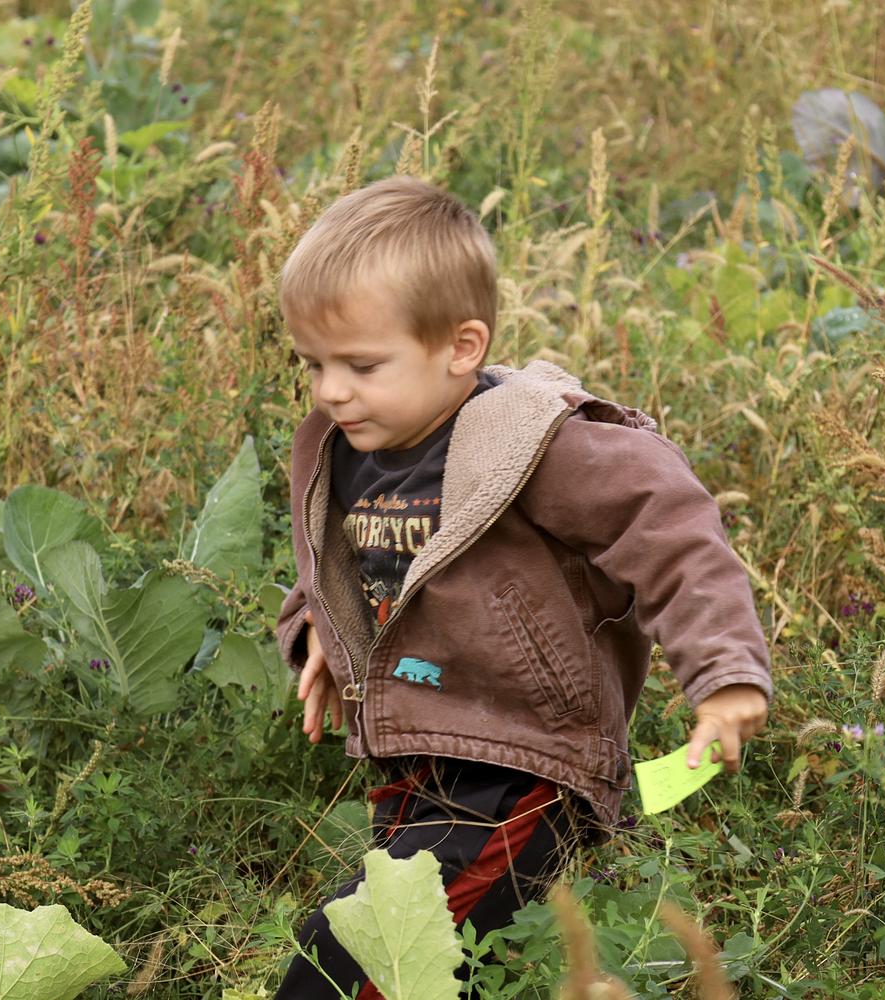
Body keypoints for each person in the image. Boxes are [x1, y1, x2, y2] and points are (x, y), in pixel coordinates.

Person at [272, 175, 772, 998]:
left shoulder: (532, 444)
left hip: (527, 760)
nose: (331, 390)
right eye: (314, 364)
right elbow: (335, 565)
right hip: (421, 756)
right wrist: (326, 627)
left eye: (361, 364)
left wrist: (726, 675)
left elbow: (672, 532)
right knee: (428, 967)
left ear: (461, 347)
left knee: (364, 960)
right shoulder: (348, 447)